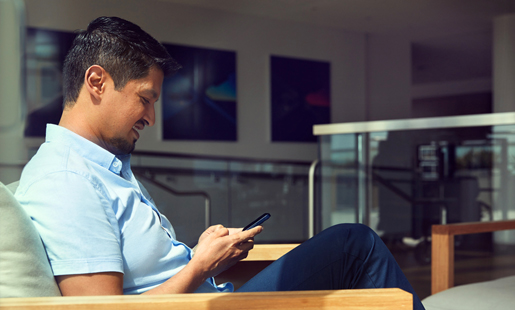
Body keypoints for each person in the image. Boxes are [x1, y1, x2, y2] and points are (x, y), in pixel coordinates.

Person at [15, 16, 425, 309]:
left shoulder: (101, 166)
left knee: (352, 248)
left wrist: (206, 259)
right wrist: (199, 266)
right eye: (146, 98)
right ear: (97, 82)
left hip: (213, 297)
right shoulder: (68, 181)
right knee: (354, 246)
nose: (151, 118)